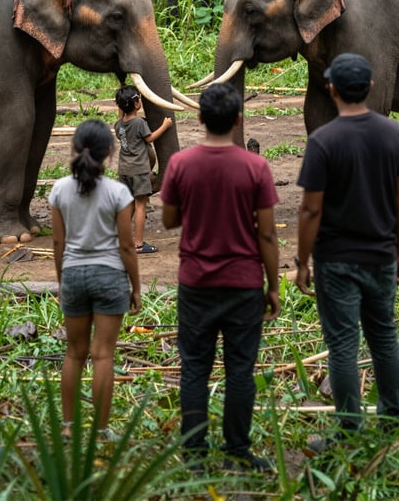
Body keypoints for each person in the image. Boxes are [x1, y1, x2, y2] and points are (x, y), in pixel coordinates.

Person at [161, 82, 279, 473]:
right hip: (244, 282)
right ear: (239, 119)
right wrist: (273, 284)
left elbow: (169, 220)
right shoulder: (256, 167)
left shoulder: (180, 164)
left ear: (199, 118)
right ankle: (237, 449)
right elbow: (266, 233)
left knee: (195, 366)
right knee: (240, 368)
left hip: (195, 282)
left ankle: (194, 454)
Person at [295, 53, 399, 448]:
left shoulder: (323, 141)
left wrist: (303, 260)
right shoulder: (394, 135)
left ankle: (348, 429)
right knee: (384, 336)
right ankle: (394, 419)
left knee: (343, 343)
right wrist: (398, 252)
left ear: (332, 90)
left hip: (336, 259)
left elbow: (311, 208)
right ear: (372, 88)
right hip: (380, 254)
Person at [50, 119, 140, 442]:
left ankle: (68, 427)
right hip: (110, 276)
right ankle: (101, 432)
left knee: (74, 353)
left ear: (75, 149)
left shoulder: (59, 190)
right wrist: (136, 287)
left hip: (74, 273)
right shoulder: (119, 193)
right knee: (103, 354)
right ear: (109, 153)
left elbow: (58, 244)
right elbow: (126, 246)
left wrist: (63, 281)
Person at [114, 84, 173, 255]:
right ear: (137, 104)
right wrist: (165, 125)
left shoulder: (119, 126)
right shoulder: (139, 123)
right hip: (138, 170)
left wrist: (120, 106)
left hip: (124, 170)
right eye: (139, 98)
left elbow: (120, 117)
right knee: (140, 205)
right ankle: (138, 244)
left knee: (128, 205)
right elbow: (150, 138)